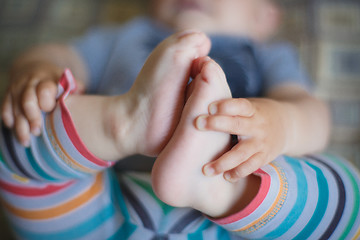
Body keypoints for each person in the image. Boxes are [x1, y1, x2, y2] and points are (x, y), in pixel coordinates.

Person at [1, 0, 358, 239]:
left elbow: (313, 115)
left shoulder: (268, 54)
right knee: (19, 130)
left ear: (264, 15)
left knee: (350, 193)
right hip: (101, 209)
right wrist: (40, 71)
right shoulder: (124, 36)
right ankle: (123, 124)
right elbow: (60, 54)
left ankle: (219, 189)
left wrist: (279, 124)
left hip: (240, 221)